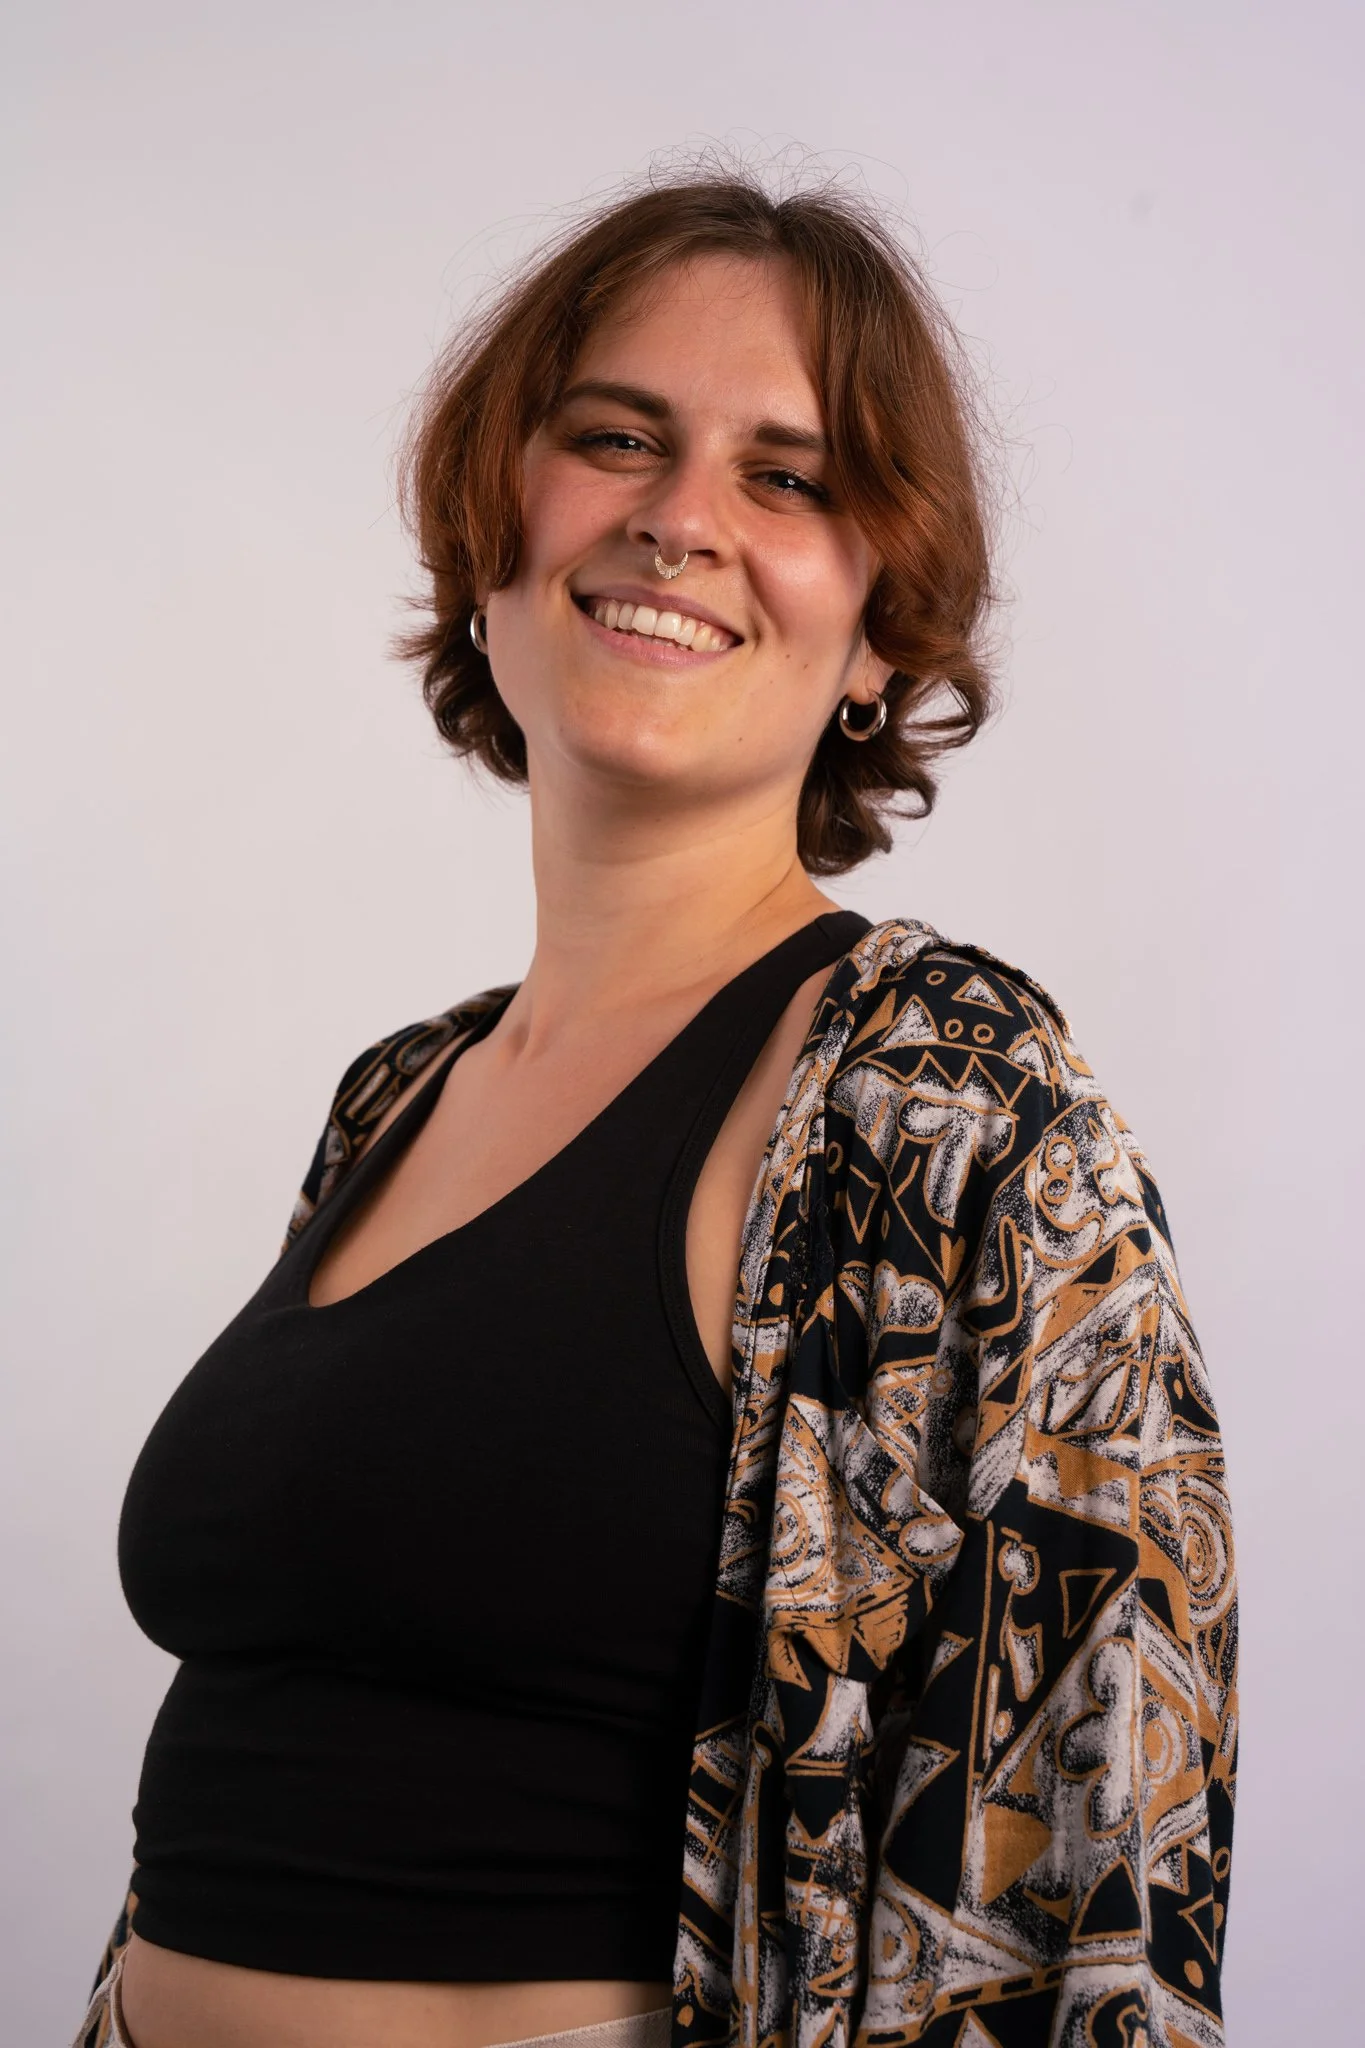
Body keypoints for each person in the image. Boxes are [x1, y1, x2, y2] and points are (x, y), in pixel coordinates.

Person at [75, 172, 1237, 2048]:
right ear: (492, 536)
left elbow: (1094, 1840)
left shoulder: (945, 1096)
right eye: (614, 436)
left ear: (877, 638)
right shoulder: (397, 1092)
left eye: (788, 477)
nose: (680, 517)